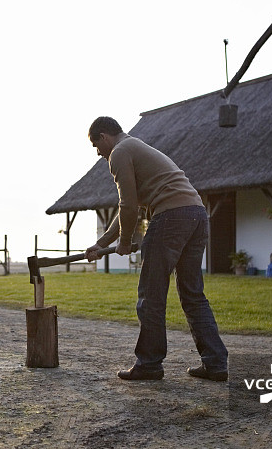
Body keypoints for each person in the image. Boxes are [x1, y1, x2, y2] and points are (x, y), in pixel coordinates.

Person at [85, 116, 229, 382]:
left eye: (96, 145)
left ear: (103, 136)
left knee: (151, 295)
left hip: (171, 217)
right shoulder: (136, 148)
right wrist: (102, 243)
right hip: (196, 214)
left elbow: (127, 205)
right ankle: (216, 363)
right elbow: (132, 208)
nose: (97, 153)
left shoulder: (119, 153)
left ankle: (149, 364)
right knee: (193, 295)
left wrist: (126, 241)